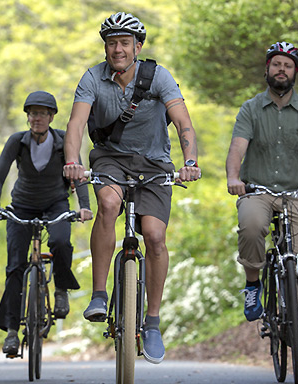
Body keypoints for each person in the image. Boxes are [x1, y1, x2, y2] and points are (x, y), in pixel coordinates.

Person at [63, 12, 201, 364]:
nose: (118, 49)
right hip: (111, 159)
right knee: (108, 204)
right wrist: (73, 161)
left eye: (125, 42)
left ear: (137, 46)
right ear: (106, 47)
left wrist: (189, 163)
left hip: (154, 163)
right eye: (112, 43)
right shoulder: (93, 77)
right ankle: (98, 294)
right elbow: (76, 124)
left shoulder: (158, 76)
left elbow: (183, 121)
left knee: (154, 236)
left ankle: (152, 321)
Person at [226, 42, 298, 361]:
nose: (281, 69)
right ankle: (253, 285)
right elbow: (237, 148)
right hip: (258, 190)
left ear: (295, 73)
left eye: (287, 65)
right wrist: (234, 178)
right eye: (276, 64)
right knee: (251, 227)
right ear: (267, 69)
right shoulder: (250, 109)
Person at [0, 91, 92, 356]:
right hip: (21, 205)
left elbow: (76, 172)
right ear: (28, 117)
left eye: (43, 113)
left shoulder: (63, 141)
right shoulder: (17, 142)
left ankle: (62, 290)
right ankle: (12, 331)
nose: (37, 118)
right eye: (33, 113)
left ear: (51, 116)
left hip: (55, 204)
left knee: (59, 242)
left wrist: (84, 206)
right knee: (15, 267)